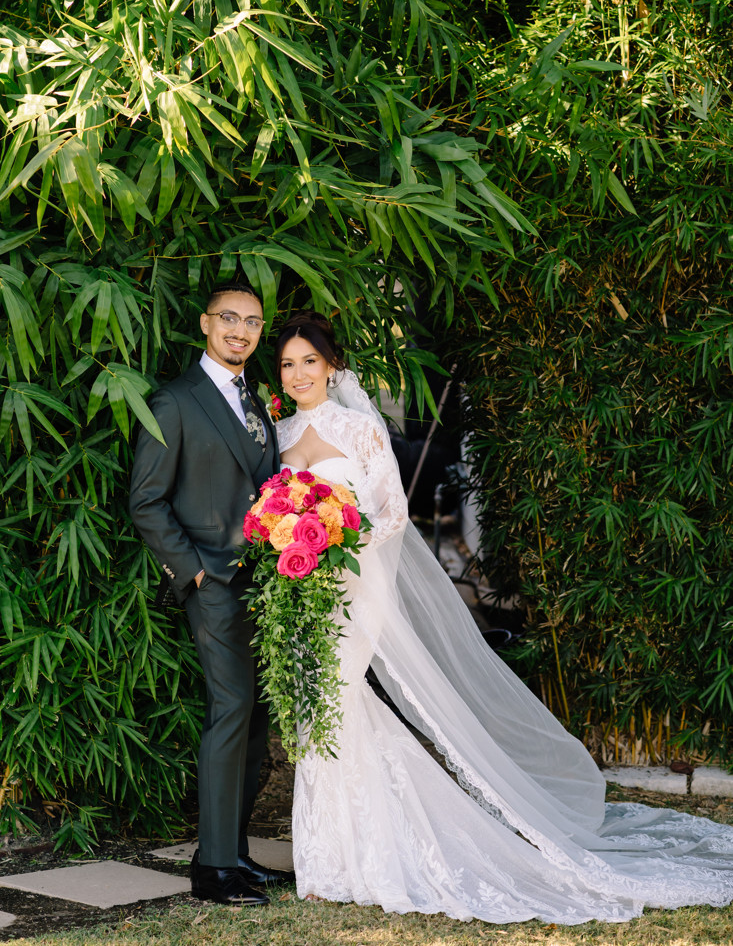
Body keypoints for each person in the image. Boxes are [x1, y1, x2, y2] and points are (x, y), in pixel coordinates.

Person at [273, 310, 733, 924]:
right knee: (318, 708)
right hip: (298, 595)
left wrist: (336, 538)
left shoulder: (359, 430)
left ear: (332, 366)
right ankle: (331, 856)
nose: (299, 373)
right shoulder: (277, 436)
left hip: (353, 590)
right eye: (287, 364)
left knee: (333, 699)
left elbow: (392, 515)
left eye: (310, 361)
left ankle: (358, 856)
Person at [129, 283, 295, 906]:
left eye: (252, 322)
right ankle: (213, 869)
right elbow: (145, 500)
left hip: (266, 584)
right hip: (214, 583)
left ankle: (233, 852)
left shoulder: (257, 401)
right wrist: (192, 571)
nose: (240, 331)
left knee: (254, 720)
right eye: (229, 318)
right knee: (231, 710)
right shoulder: (175, 401)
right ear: (204, 323)